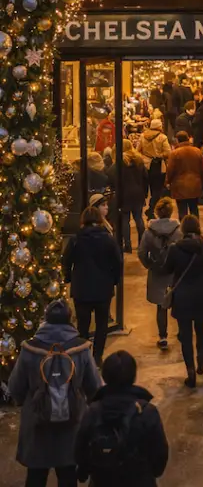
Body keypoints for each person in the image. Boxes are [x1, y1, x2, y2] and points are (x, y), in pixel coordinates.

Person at [8, 297, 101, 487]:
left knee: (35, 477)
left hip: (37, 426)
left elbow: (15, 388)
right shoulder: (81, 348)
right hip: (71, 426)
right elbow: (94, 388)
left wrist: (26, 403)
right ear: (70, 319)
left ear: (46, 319)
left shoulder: (29, 348)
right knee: (68, 477)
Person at [75, 350, 168, 487]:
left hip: (102, 481)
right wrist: (150, 473)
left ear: (105, 376)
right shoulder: (147, 412)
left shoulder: (93, 411)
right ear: (133, 376)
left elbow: (80, 450)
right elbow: (160, 453)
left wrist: (85, 472)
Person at [62, 207, 123, 367]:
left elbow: (66, 261)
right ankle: (97, 357)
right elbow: (118, 262)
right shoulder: (108, 239)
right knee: (102, 324)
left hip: (81, 288)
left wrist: (68, 278)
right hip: (103, 288)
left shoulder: (76, 240)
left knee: (82, 325)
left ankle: (82, 357)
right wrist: (114, 280)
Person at [162, 214, 203, 388]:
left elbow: (167, 269)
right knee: (201, 330)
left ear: (183, 230)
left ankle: (190, 371)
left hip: (183, 296)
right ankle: (201, 359)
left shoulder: (174, 249)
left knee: (185, 335)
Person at [137, 197, 182, 351]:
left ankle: (163, 337)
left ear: (156, 212)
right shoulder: (178, 231)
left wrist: (149, 264)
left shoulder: (149, 232)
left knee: (161, 306)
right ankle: (182, 332)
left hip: (157, 271)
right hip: (174, 271)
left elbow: (142, 252)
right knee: (177, 302)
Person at [108, 139, 147, 252]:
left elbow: (110, 174)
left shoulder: (120, 162)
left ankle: (128, 245)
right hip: (138, 193)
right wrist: (144, 192)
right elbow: (145, 177)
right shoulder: (139, 160)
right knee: (138, 218)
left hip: (124, 193)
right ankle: (142, 243)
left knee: (125, 220)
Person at [165, 130, 203, 218]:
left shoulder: (175, 153)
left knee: (182, 210)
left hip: (179, 185)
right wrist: (201, 181)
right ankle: (195, 228)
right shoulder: (197, 151)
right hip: (195, 184)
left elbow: (170, 169)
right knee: (194, 208)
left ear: (177, 140)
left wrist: (168, 181)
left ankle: (184, 230)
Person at [139, 119, 171, 218]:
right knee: (157, 190)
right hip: (158, 165)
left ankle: (149, 210)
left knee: (146, 187)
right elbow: (168, 152)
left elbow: (138, 150)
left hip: (145, 165)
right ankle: (151, 208)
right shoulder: (162, 137)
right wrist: (159, 155)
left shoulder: (143, 136)